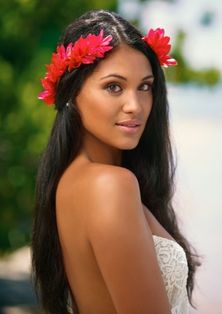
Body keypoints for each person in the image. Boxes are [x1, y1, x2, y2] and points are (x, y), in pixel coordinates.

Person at [32, 9, 199, 314]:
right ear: (72, 93)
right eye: (114, 87)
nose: (135, 105)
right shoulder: (110, 185)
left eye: (145, 86)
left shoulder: (69, 182)